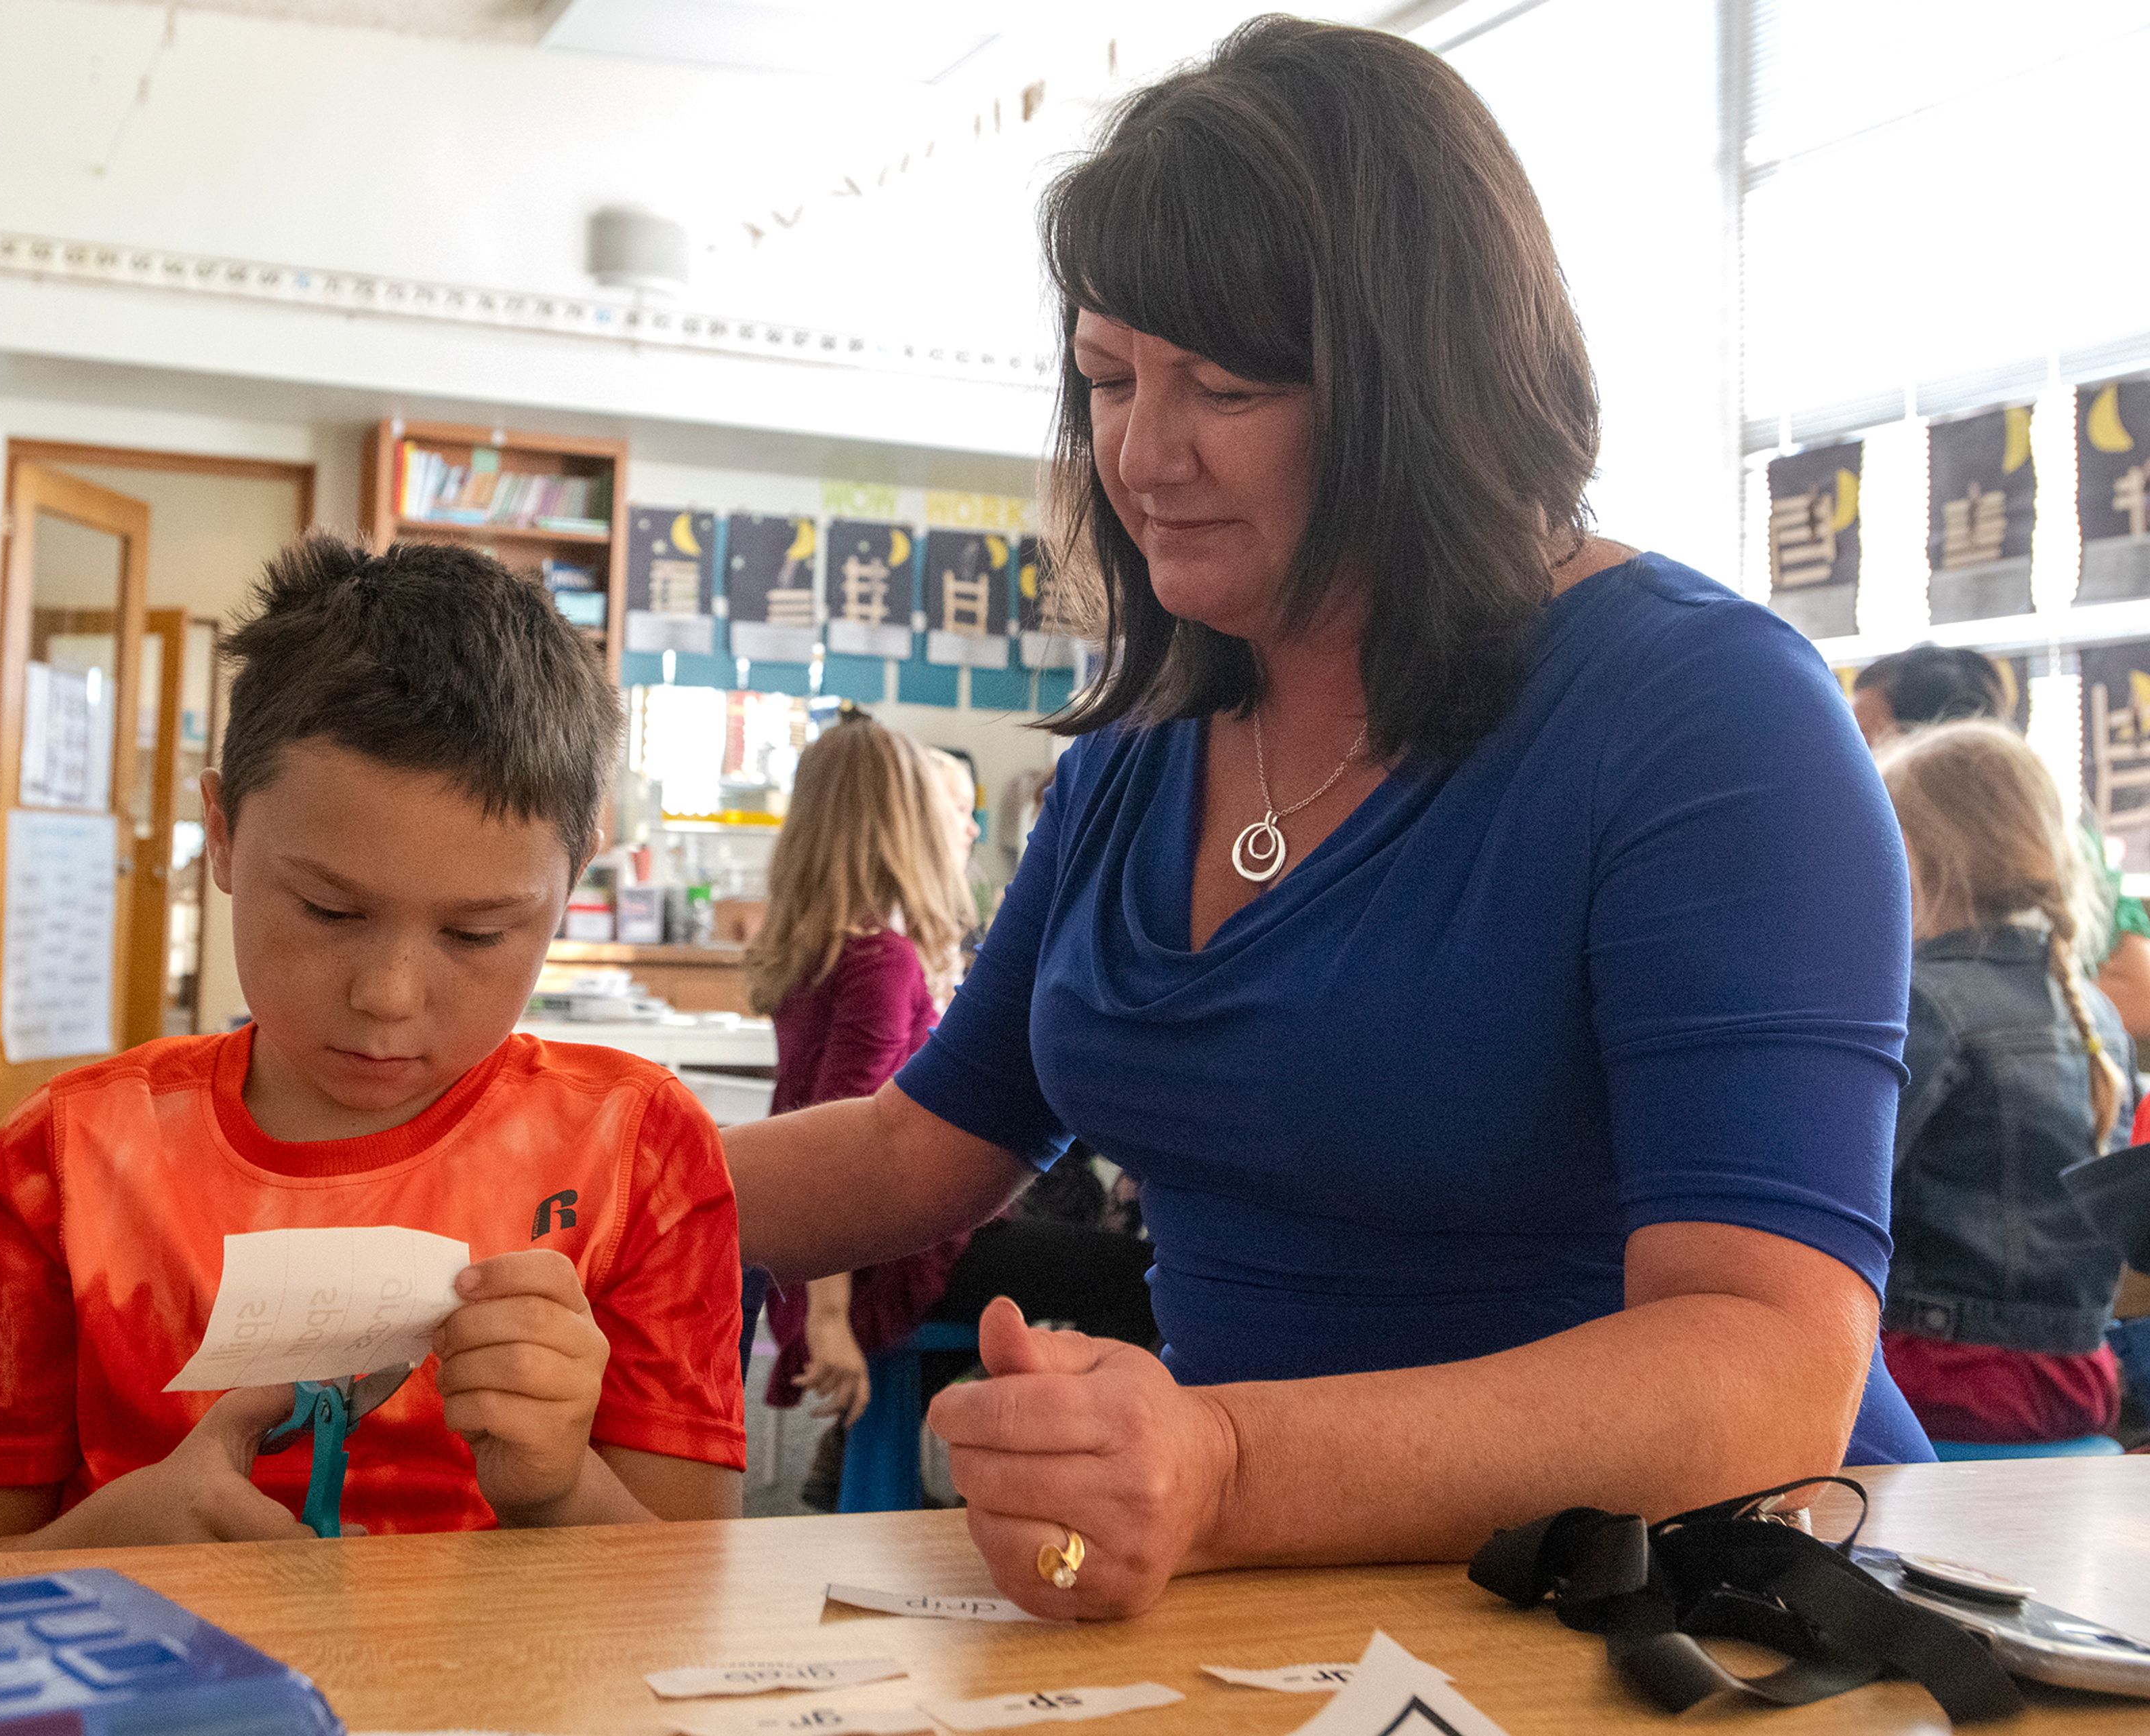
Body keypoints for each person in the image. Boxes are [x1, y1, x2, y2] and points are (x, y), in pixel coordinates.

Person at [724, 16, 1932, 1619]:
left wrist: (1222, 1462)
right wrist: (509, 1179)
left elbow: (1766, 1360)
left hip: (1687, 1609)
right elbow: (916, 1140)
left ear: (1418, 385)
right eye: (1105, 377)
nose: (1142, 453)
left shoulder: (1703, 717)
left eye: (1221, 385)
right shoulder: (1145, 749)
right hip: (1306, 1601)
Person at [0, 536, 744, 1552]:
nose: (388, 996)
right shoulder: (68, 1158)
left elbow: (697, 1588)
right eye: (326, 909)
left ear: (573, 882)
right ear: (220, 833)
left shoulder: (637, 1149)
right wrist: (115, 1539)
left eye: (476, 934)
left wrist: (559, 1489)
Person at [748, 718, 1155, 1509]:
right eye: (946, 807)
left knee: (1049, 1259)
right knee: (1136, 1282)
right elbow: (852, 1151)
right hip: (875, 1259)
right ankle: (1057, 1482)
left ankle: (866, 1455)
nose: (963, 824)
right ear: (904, 823)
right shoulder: (881, 957)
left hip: (839, 1257)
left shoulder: (823, 946)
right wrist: (830, 1319)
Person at [1875, 721, 2136, 1444]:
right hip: (2079, 1373)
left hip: (1946, 1373)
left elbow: (1843, 1191)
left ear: (1921, 863)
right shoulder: (2097, 1011)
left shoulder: (1927, 1000)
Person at [1849, 642, 2150, 1041]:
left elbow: (2142, 995)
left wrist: (2004, 1022)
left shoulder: (2054, 846)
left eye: (1868, 744)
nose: (1856, 766)